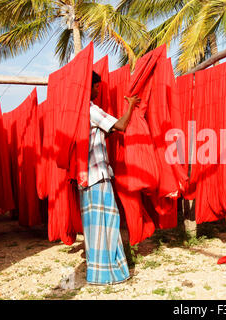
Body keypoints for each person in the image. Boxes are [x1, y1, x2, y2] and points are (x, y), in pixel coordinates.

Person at [78, 71, 140, 285]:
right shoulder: (91, 109)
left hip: (86, 177)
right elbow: (121, 126)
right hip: (97, 176)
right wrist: (130, 105)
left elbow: (103, 131)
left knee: (95, 225)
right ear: (89, 87)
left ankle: (97, 272)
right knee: (108, 222)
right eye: (96, 87)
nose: (98, 90)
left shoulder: (78, 111)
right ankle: (108, 272)